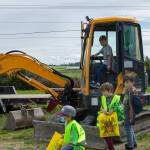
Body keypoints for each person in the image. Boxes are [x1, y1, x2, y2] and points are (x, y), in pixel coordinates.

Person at [97, 82, 123, 150]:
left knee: (109, 135)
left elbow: (120, 108)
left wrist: (113, 109)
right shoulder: (103, 98)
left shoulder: (116, 98)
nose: (102, 93)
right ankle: (111, 147)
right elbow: (101, 107)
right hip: (105, 120)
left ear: (109, 90)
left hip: (113, 120)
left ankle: (111, 147)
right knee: (106, 135)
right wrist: (103, 110)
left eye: (103, 91)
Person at [123, 74, 137, 150]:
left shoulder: (131, 91)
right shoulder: (127, 91)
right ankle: (134, 143)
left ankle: (130, 146)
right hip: (127, 112)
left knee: (128, 129)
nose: (126, 84)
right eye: (125, 82)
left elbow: (131, 105)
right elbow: (125, 102)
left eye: (127, 82)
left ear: (132, 82)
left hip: (129, 114)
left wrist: (130, 116)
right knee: (130, 128)